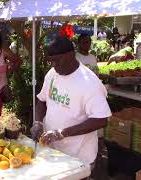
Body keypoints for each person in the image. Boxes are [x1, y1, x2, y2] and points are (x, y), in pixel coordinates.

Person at [31, 37, 111, 179]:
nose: (54, 65)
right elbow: (41, 100)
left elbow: (101, 120)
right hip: (53, 151)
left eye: (57, 60)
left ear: (70, 55)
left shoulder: (89, 82)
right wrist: (38, 122)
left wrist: (62, 133)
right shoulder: (52, 74)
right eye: (51, 61)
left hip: (78, 157)